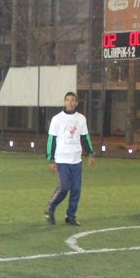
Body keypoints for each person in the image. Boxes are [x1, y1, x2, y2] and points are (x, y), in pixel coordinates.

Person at [44, 91, 95, 226]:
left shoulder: (81, 119)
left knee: (76, 189)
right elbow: (51, 140)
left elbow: (85, 137)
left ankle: (70, 216)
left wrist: (90, 153)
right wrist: (50, 159)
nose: (70, 103)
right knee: (64, 187)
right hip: (61, 159)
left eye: (73, 100)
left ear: (76, 103)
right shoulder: (57, 119)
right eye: (68, 100)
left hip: (76, 160)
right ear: (64, 102)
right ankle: (50, 207)